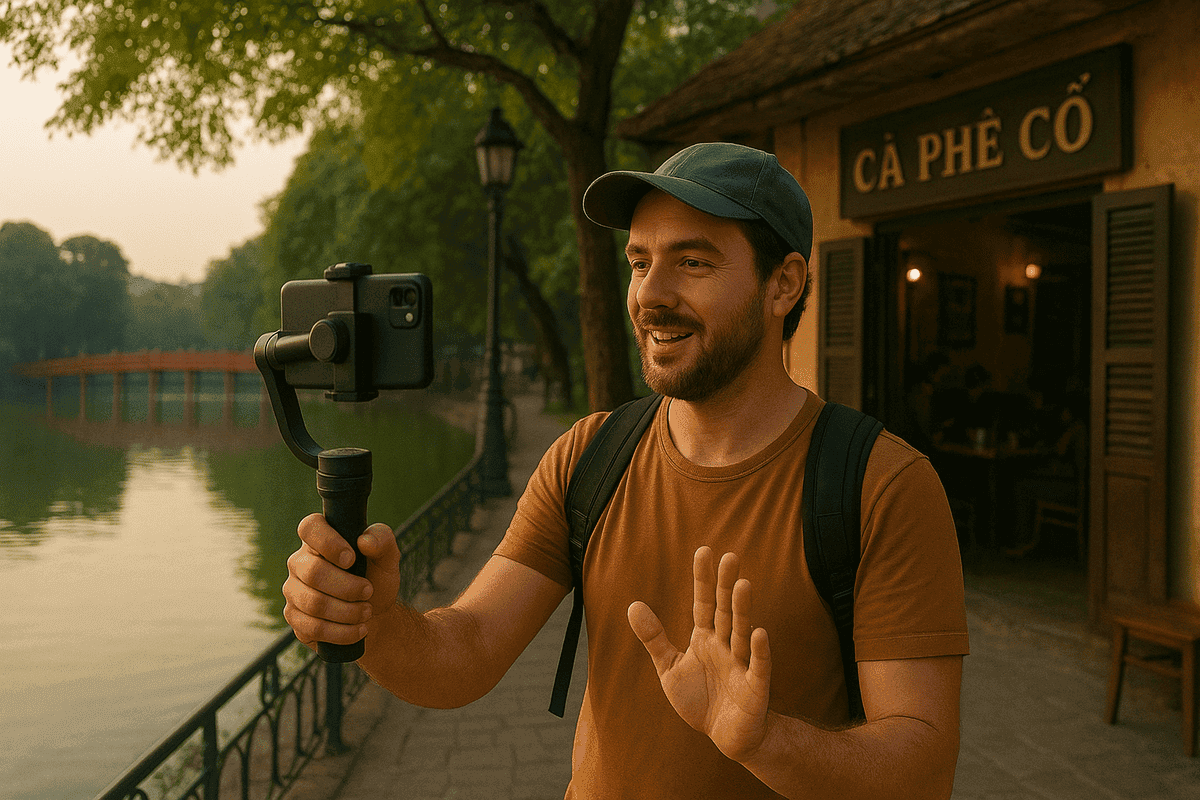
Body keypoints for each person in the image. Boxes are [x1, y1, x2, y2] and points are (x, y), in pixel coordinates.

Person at [282, 142, 969, 799]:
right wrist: (372, 623)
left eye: (693, 263)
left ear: (783, 284)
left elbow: (922, 774)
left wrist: (765, 740)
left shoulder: (880, 485)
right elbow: (466, 653)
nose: (650, 295)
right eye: (640, 263)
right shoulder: (589, 455)